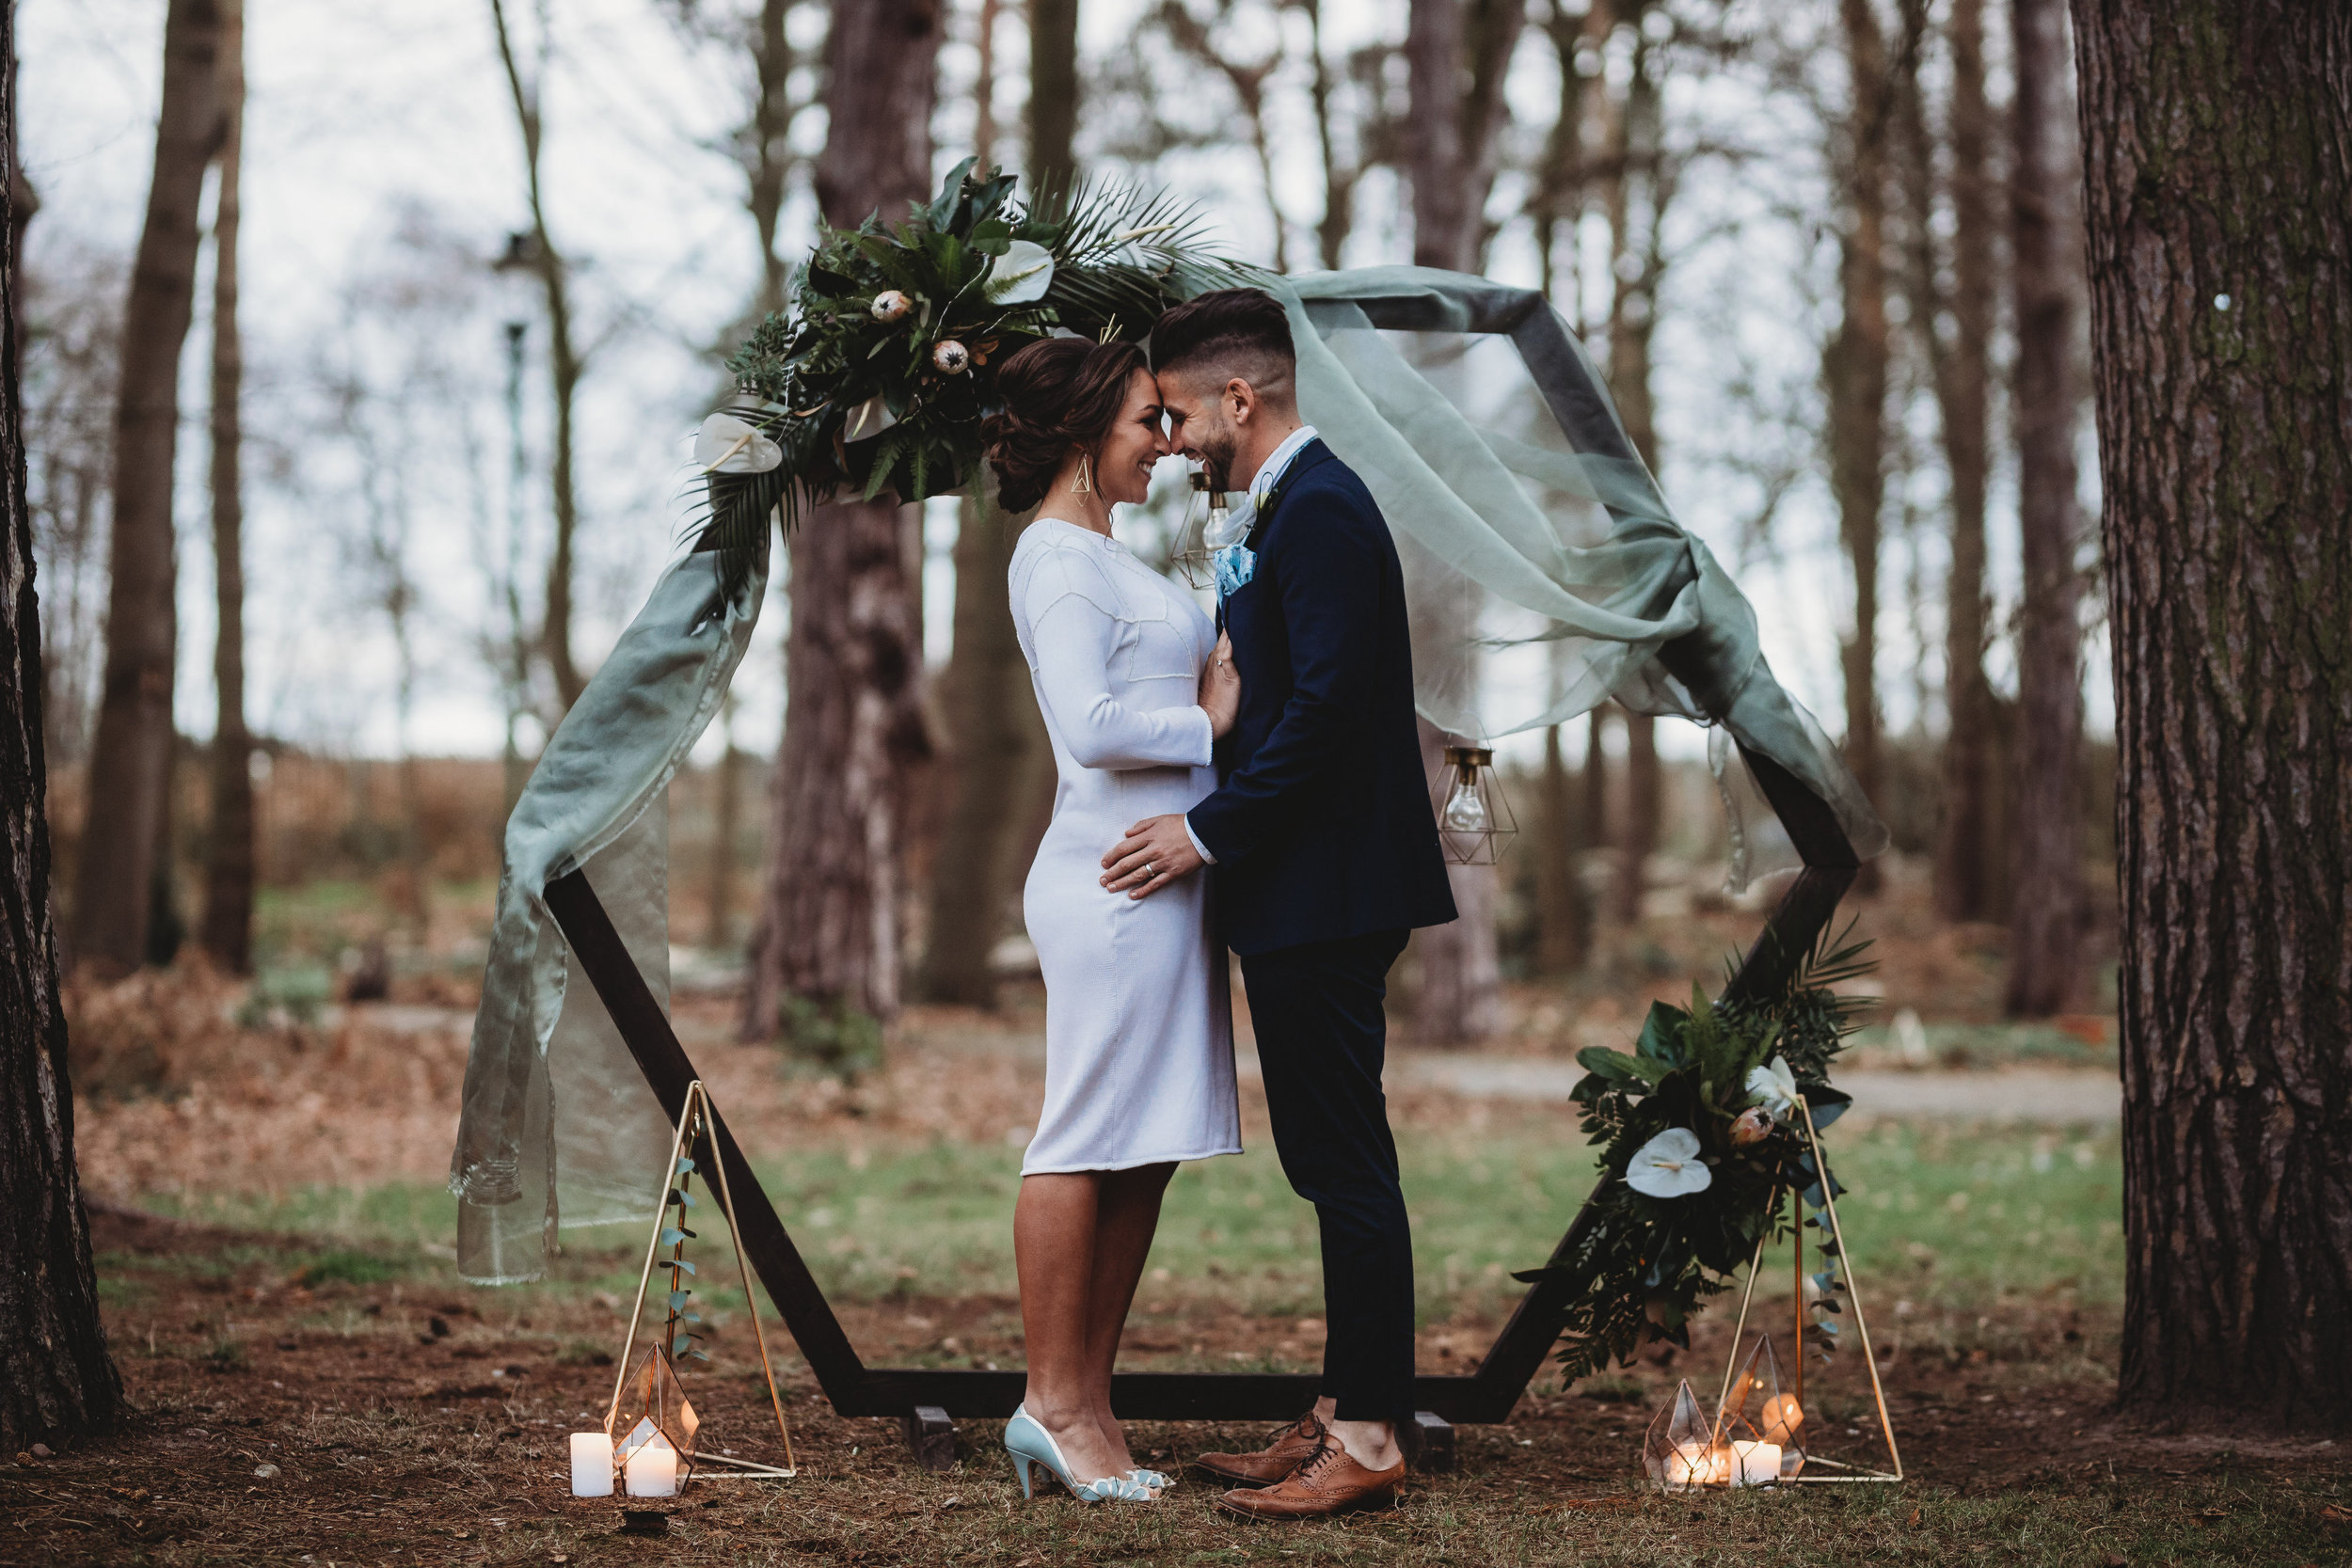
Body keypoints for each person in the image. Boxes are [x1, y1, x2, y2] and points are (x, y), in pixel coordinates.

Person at [1102, 288, 1459, 1520]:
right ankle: (1343, 1400)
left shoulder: (1320, 510)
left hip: (1329, 887)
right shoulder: (1278, 512)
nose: (1177, 437)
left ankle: (1367, 1436)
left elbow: (1326, 717)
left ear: (1241, 400)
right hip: (1306, 887)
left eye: (1183, 413)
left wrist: (1203, 831)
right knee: (1327, 1156)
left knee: (1346, 1162)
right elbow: (1277, 686)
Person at [985, 335, 1245, 1505]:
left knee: (1145, 1143)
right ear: (1088, 429)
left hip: (1170, 878)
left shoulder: (1111, 552)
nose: (1168, 437)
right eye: (1148, 419)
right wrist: (1210, 721)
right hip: (1110, 880)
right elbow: (1090, 724)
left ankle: (1089, 1396)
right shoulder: (1054, 559)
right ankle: (1049, 1402)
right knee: (1085, 1129)